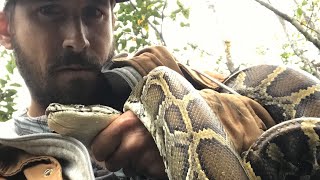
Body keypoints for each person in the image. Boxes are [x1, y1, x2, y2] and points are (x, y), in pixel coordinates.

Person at [0, 0, 275, 179]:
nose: (78, 40)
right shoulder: (6, 157)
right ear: (5, 29)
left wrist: (208, 119)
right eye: (49, 10)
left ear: (112, 23)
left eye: (94, 12)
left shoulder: (168, 73)